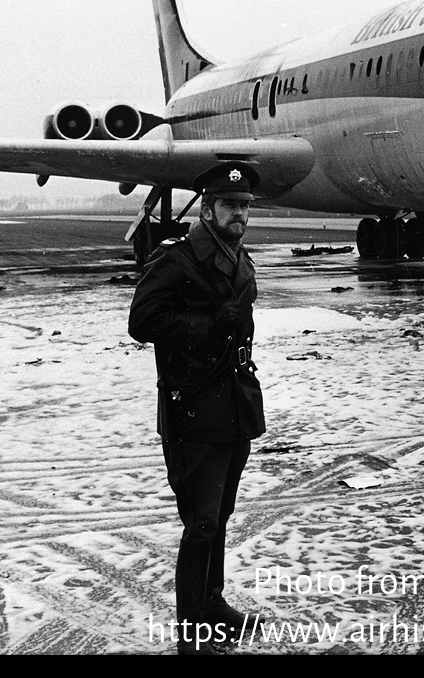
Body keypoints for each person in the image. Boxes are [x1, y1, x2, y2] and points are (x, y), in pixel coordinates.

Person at [129, 162, 267, 654]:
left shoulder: (237, 255)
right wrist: (207, 324)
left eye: (245, 207)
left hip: (233, 404)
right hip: (194, 410)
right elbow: (141, 321)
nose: (240, 215)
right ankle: (192, 632)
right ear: (207, 209)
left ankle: (212, 602)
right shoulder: (180, 259)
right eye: (230, 206)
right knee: (201, 520)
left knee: (222, 513)